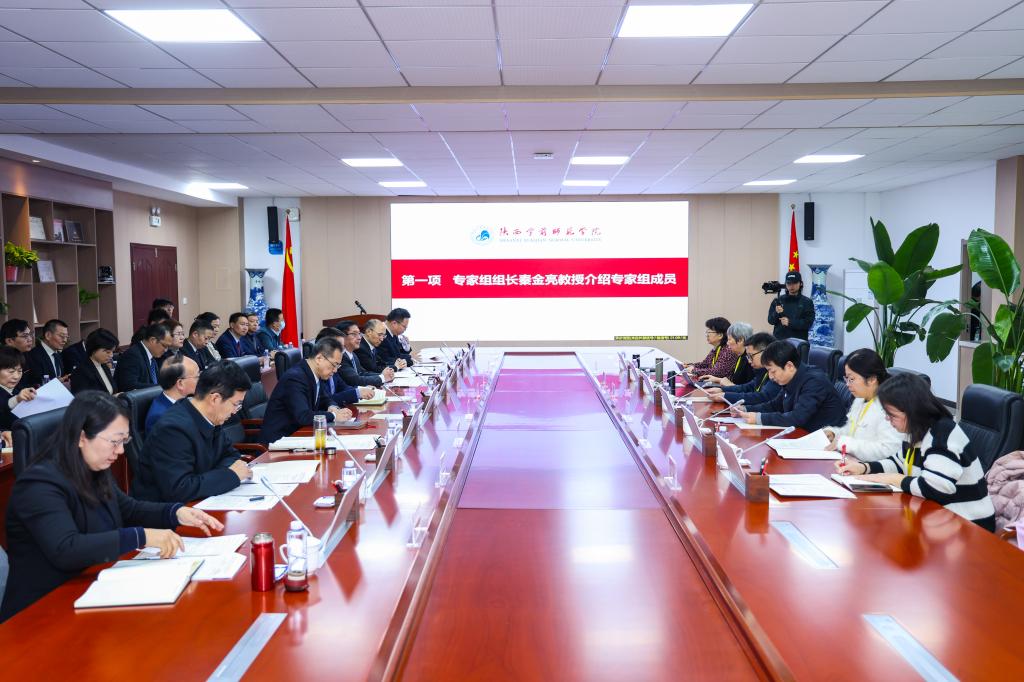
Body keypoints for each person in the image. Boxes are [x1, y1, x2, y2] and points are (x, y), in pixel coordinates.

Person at [0, 391, 224, 622]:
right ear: (81, 437)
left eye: (124, 441)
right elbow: (66, 549)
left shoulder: (93, 467)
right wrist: (141, 536)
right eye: (114, 441)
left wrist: (175, 512)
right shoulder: (38, 484)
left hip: (93, 587)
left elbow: (128, 509)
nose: (121, 451)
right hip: (42, 611)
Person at [836, 373, 996, 531]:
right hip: (936, 517)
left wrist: (894, 479)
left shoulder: (942, 433)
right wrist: (864, 468)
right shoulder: (915, 430)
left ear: (911, 411)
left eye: (892, 415)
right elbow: (899, 462)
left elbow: (936, 489)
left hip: (969, 526)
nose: (887, 420)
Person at [132, 361, 253, 503]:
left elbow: (231, 456)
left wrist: (211, 478)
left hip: (201, 502)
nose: (235, 412)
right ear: (215, 399)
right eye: (236, 404)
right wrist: (229, 475)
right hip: (167, 511)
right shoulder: (173, 429)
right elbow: (179, 489)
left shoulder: (212, 417)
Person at [259, 337, 370, 445]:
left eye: (338, 366)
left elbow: (325, 398)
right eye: (334, 365)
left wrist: (332, 407)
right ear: (319, 358)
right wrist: (334, 415)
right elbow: (303, 416)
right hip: (280, 441)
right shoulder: (295, 378)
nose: (335, 370)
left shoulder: (313, 373)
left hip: (300, 436)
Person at [732, 340, 846, 432]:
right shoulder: (792, 378)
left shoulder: (814, 381)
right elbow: (775, 405)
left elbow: (797, 417)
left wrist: (758, 418)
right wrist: (746, 409)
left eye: (773, 371)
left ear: (789, 366)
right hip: (804, 434)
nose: (770, 377)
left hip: (826, 441)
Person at [821, 349, 903, 462]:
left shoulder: (890, 407)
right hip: (851, 462)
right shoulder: (861, 399)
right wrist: (834, 434)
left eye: (852, 379)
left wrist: (848, 445)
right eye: (846, 378)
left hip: (872, 468)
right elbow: (851, 431)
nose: (847, 384)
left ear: (872, 379)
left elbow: (888, 450)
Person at [705, 333, 781, 405]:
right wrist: (722, 390)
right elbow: (748, 387)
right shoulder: (761, 370)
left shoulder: (777, 372)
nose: (749, 360)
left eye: (751, 356)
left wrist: (725, 396)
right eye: (748, 356)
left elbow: (762, 397)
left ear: (765, 352)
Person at [145, 355, 200, 432]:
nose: (200, 380)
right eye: (197, 377)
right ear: (180, 383)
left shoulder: (184, 401)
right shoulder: (161, 417)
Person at [114, 322, 172, 393]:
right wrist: (160, 387)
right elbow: (129, 386)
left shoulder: (151, 355)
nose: (166, 350)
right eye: (165, 346)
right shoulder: (133, 355)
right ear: (153, 340)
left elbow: (154, 381)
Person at [335, 319, 395, 387]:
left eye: (359, 334)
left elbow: (362, 373)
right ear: (341, 337)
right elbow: (355, 380)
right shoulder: (340, 356)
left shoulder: (353, 354)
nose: (359, 338)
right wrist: (382, 378)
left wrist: (383, 375)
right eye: (354, 334)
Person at [0, 347, 36, 445]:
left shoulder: (19, 389)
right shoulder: (18, 395)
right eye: (11, 371)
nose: (16, 376)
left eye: (20, 371)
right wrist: (17, 399)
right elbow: (3, 405)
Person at [701, 322, 754, 387]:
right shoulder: (740, 356)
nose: (727, 343)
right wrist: (719, 380)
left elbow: (747, 389)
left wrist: (724, 388)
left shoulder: (750, 360)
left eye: (729, 340)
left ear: (740, 340)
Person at [768, 271, 815, 341]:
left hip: (798, 342)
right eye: (789, 283)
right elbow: (770, 321)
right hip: (779, 341)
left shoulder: (807, 302)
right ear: (786, 284)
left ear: (800, 283)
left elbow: (808, 323)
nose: (791, 286)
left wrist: (790, 322)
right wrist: (776, 313)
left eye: (794, 283)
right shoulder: (778, 300)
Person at [69, 329, 118, 395]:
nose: (111, 355)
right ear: (94, 349)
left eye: (112, 351)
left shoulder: (104, 365)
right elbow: (84, 399)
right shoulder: (81, 372)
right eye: (107, 352)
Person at [1, 319, 35, 391]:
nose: (30, 339)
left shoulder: (28, 355)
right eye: (25, 336)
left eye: (30, 334)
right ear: (9, 341)